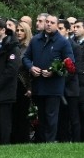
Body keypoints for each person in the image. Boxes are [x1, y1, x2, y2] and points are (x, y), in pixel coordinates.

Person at [23, 14, 74, 143]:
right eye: (47, 22)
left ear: (57, 25)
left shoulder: (63, 42)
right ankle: (41, 141)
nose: (49, 24)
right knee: (41, 116)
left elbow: (70, 63)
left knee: (51, 116)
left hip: (54, 86)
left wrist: (54, 72)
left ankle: (50, 142)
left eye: (52, 22)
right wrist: (31, 67)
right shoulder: (35, 40)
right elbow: (25, 57)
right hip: (39, 85)